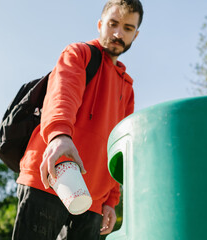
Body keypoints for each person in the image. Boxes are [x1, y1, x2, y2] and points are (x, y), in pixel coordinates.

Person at [12, 0, 143, 239]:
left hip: (92, 201)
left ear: (136, 34)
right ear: (100, 24)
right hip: (49, 180)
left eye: (127, 28)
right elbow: (63, 94)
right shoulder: (78, 54)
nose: (117, 33)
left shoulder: (128, 88)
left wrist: (111, 200)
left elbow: (119, 146)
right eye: (113, 24)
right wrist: (59, 134)